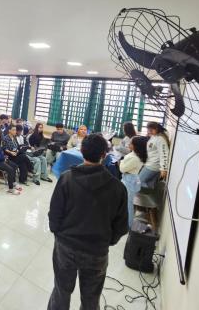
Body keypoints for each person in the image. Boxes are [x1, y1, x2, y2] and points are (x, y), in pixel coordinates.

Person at [47, 133, 128, 310]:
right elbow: (121, 226)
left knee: (61, 291)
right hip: (96, 251)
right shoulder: (118, 188)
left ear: (82, 152)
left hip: (66, 247)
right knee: (91, 299)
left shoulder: (66, 178)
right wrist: (106, 241)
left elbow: (54, 214)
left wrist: (59, 234)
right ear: (104, 155)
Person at [120, 136, 148, 227]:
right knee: (126, 203)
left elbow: (122, 169)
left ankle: (129, 225)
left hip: (130, 180)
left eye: (131, 143)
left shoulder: (135, 158)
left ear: (136, 146)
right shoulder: (135, 154)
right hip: (129, 179)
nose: (129, 144)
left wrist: (121, 161)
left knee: (128, 204)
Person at [139, 122, 170, 189]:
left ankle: (154, 188)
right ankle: (153, 187)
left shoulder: (160, 139)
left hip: (153, 166)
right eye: (148, 130)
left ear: (157, 129)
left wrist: (164, 169)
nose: (149, 131)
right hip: (149, 164)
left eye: (151, 130)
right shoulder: (154, 136)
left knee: (139, 182)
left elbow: (164, 154)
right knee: (144, 182)